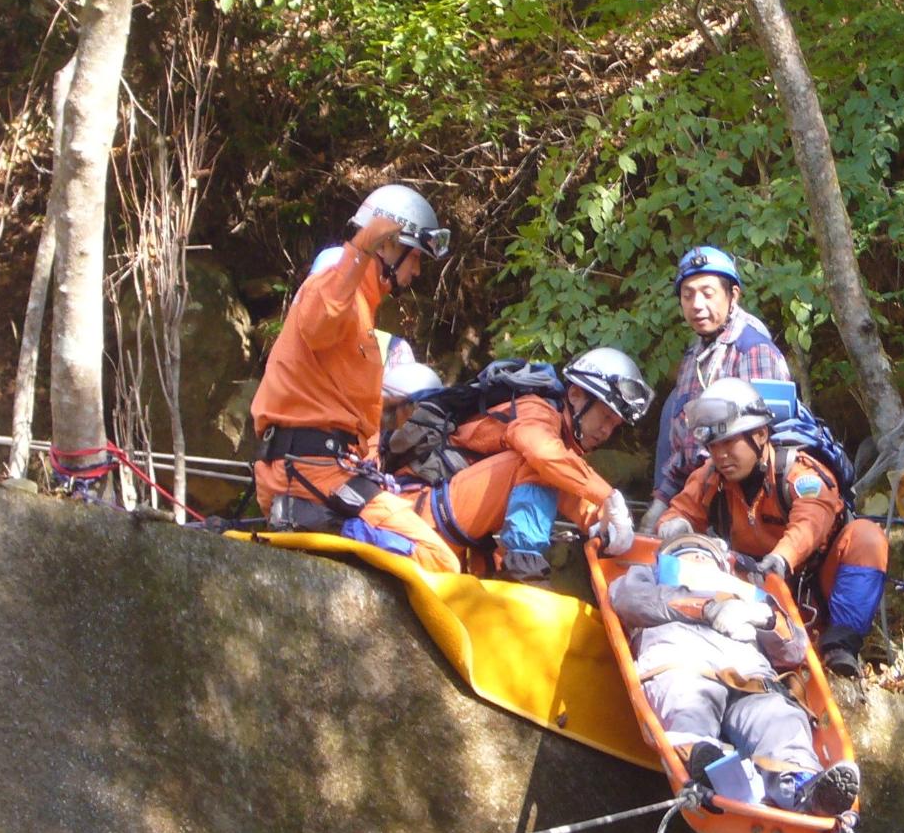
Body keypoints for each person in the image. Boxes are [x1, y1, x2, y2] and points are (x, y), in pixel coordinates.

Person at [248, 182, 450, 547]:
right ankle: (342, 532)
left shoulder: (362, 309)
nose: (418, 271)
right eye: (416, 257)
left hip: (327, 469)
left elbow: (358, 416)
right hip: (310, 471)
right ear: (388, 245)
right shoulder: (332, 287)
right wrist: (361, 248)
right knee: (430, 552)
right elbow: (319, 323)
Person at [608, 532, 860, 815]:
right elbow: (627, 599)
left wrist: (766, 619)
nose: (699, 557)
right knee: (686, 707)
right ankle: (706, 766)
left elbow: (794, 651)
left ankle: (806, 789)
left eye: (705, 554)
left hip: (751, 678)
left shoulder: (749, 594)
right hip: (683, 663)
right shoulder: (650, 576)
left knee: (781, 719)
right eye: (688, 552)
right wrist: (705, 608)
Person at [655, 377, 886, 678]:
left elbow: (811, 519)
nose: (721, 454)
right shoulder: (710, 478)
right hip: (753, 593)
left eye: (730, 442)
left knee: (868, 538)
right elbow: (681, 510)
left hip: (811, 586)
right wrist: (674, 527)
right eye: (713, 445)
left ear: (761, 434)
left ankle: (839, 647)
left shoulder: (799, 472)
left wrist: (781, 558)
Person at [407, 347, 651, 578]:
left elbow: (564, 480)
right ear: (575, 395)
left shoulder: (559, 443)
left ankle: (520, 565)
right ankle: (525, 566)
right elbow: (543, 455)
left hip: (453, 526)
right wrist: (608, 496)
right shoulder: (537, 410)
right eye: (605, 416)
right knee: (541, 464)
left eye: (614, 425)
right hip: (425, 513)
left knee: (557, 468)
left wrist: (599, 519)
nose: (606, 431)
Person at [644, 246, 791, 532]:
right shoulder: (693, 358)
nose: (697, 304)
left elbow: (768, 445)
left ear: (733, 295)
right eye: (688, 295)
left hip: (736, 498)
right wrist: (661, 502)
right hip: (695, 492)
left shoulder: (754, 351)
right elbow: (684, 447)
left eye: (707, 293)